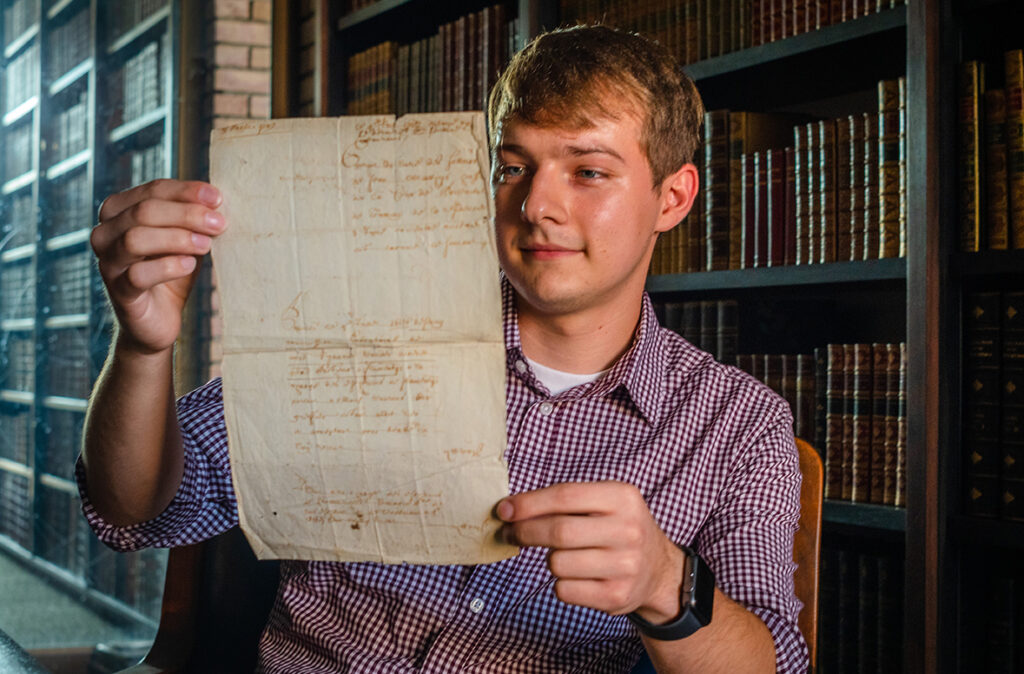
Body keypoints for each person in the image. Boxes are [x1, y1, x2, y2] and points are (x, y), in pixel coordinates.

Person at [80, 25, 808, 673]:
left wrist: (664, 587)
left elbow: (772, 664)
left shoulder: (739, 427)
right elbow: (138, 507)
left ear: (673, 199)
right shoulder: (362, 334)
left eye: (588, 171)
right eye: (514, 167)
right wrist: (143, 349)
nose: (536, 207)